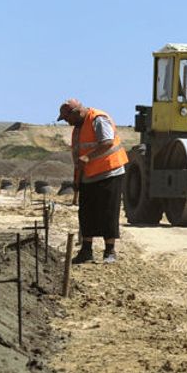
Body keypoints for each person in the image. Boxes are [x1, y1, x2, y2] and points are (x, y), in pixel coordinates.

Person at [60, 97, 126, 263]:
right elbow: (78, 158)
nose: (67, 122)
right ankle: (86, 250)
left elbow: (107, 142)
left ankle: (110, 251)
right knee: (86, 213)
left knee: (108, 211)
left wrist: (88, 157)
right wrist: (77, 180)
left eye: (68, 118)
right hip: (88, 176)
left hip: (109, 171)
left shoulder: (98, 118)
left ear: (77, 112)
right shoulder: (77, 128)